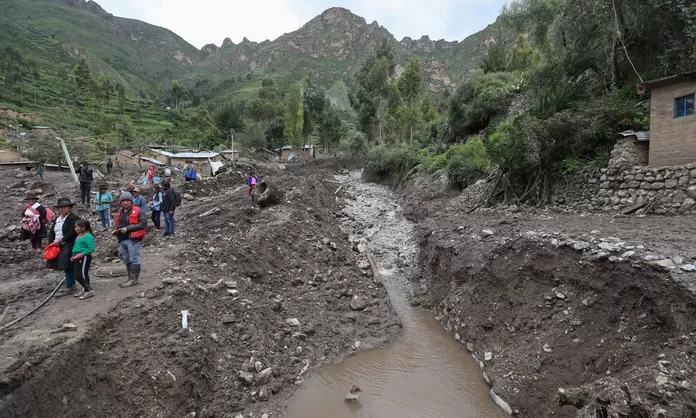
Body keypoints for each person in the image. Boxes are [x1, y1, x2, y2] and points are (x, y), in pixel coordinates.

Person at [47, 198, 80, 296]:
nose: (63, 209)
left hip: (69, 244)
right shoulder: (57, 219)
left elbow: (73, 232)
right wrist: (51, 242)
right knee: (65, 265)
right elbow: (52, 231)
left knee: (68, 265)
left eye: (65, 207)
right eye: (61, 207)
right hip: (58, 244)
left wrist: (61, 240)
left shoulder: (74, 218)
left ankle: (69, 287)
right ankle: (71, 284)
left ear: (70, 207)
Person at [113, 192, 147, 287]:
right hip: (122, 239)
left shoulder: (138, 211)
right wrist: (116, 232)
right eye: (123, 201)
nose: (125, 203)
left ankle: (134, 279)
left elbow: (143, 224)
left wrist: (128, 228)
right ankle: (129, 278)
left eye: (128, 200)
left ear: (132, 201)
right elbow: (119, 225)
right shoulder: (120, 212)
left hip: (133, 239)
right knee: (127, 259)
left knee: (134, 258)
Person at [70, 219, 95, 300]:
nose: (75, 228)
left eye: (76, 227)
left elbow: (91, 249)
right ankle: (85, 289)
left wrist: (80, 255)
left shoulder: (88, 236)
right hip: (77, 257)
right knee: (78, 274)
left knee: (81, 274)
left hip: (84, 258)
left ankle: (88, 290)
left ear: (83, 228)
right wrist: (73, 255)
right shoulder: (80, 235)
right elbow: (77, 247)